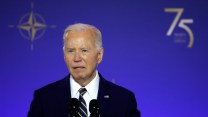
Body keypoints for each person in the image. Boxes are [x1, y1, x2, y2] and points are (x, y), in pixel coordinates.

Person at [27, 23, 141, 117]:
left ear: (99, 55)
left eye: (84, 50)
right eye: (71, 51)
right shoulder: (44, 99)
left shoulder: (123, 100)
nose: (77, 58)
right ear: (64, 56)